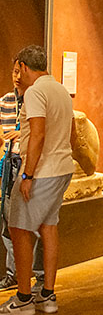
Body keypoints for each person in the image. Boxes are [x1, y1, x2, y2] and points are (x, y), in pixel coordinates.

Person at [1, 46, 75, 315]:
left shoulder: (34, 92)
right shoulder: (61, 90)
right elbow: (73, 132)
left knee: (18, 228)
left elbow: (38, 134)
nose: (16, 75)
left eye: (17, 69)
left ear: (23, 66)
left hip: (43, 171)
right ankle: (47, 295)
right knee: (48, 226)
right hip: (62, 168)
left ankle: (23, 298)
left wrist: (27, 175)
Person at [0, 63, 43, 292]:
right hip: (9, 164)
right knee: (8, 222)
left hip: (29, 165)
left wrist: (22, 132)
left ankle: (40, 275)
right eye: (14, 71)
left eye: (21, 72)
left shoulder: (36, 100)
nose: (17, 76)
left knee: (35, 224)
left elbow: (39, 133)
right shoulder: (6, 101)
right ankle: (13, 274)